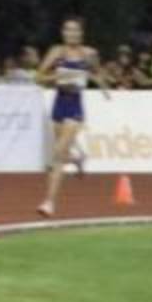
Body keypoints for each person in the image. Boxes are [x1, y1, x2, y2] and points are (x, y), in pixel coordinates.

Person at [35, 16, 109, 217]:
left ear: (81, 33)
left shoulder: (89, 53)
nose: (71, 33)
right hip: (59, 104)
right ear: (63, 32)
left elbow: (98, 73)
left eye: (75, 30)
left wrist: (102, 84)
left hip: (75, 107)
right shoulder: (56, 52)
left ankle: (48, 202)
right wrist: (59, 77)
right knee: (61, 154)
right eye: (68, 29)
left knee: (58, 153)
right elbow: (38, 77)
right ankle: (77, 160)